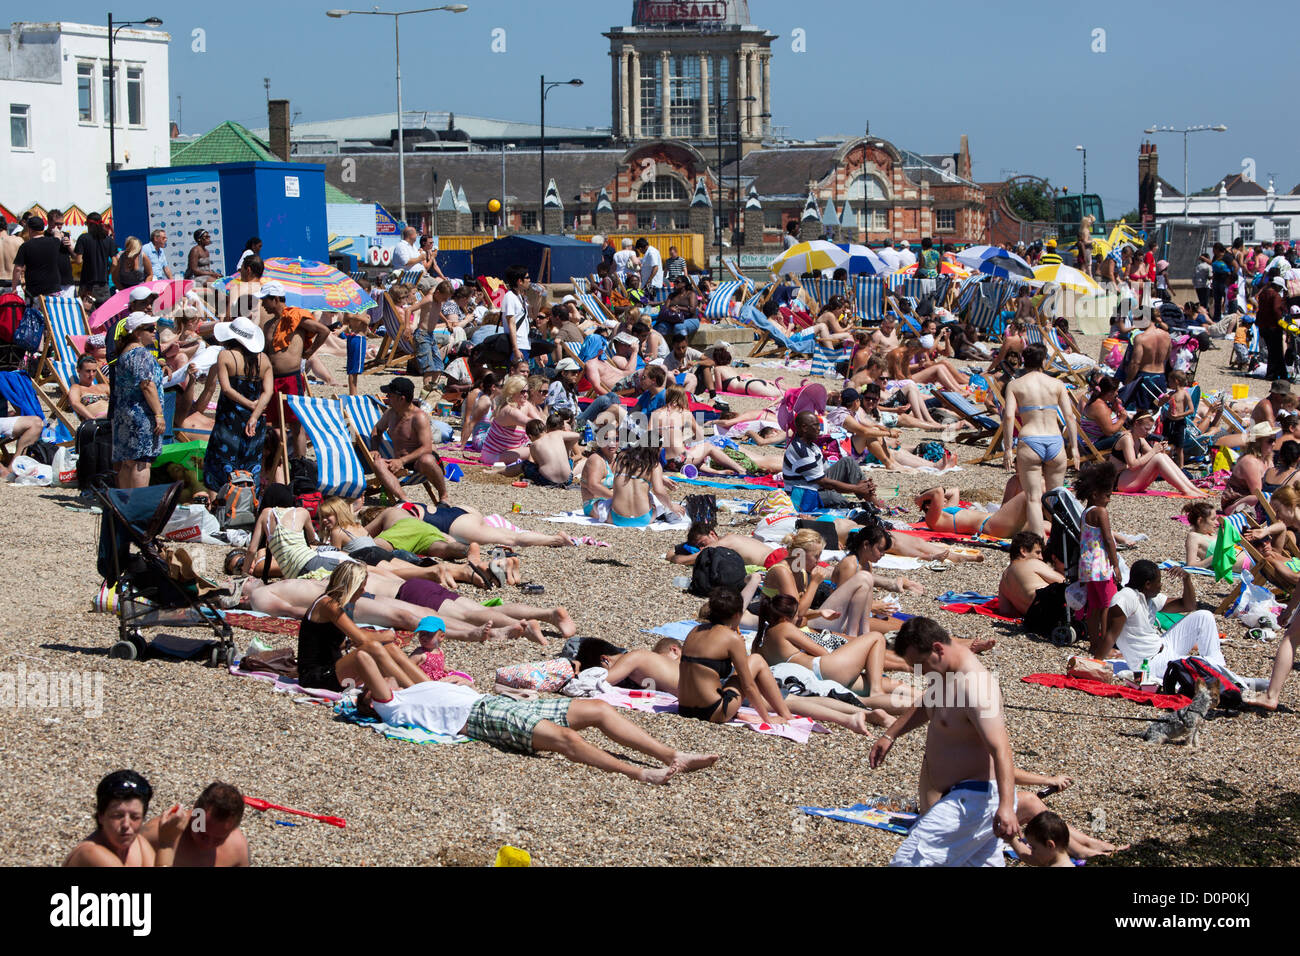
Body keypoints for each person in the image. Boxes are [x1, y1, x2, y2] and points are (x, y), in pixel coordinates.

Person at [358, 669, 718, 785]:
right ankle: (640, 772)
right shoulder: (391, 706)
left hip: (500, 702)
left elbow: (390, 657)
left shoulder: (409, 689)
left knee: (599, 709)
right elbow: (368, 653)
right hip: (485, 716)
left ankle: (674, 754)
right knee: (564, 739)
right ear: (373, 697)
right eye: (369, 686)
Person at [870, 617, 1020, 867]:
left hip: (976, 800)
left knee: (909, 861)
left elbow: (1001, 748)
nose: (918, 673)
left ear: (938, 648)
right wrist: (890, 734)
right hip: (965, 797)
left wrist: (1006, 806)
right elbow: (930, 701)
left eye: (920, 664)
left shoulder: (976, 687)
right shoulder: (946, 669)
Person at [296, 562, 429, 693]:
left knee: (390, 648)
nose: (363, 591)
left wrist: (350, 642)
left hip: (332, 670)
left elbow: (333, 642)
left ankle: (430, 687)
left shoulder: (335, 604)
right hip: (316, 677)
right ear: (351, 587)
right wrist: (386, 635)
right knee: (373, 647)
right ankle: (413, 692)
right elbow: (362, 640)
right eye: (361, 587)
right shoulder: (329, 605)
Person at [1098, 560, 1235, 677]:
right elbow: (1111, 635)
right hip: (1150, 663)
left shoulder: (1148, 596)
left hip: (1164, 646)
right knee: (1199, 666)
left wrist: (1187, 580)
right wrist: (1095, 664)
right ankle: (1217, 670)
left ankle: (1218, 665)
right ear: (1148, 584)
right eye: (1159, 582)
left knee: (1204, 616)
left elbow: (1189, 605)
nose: (1161, 586)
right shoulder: (1126, 598)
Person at [679, 587, 792, 726]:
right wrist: (767, 719)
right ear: (737, 615)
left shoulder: (694, 631)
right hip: (713, 711)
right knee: (757, 659)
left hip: (683, 709)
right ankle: (786, 714)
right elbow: (748, 685)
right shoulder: (732, 638)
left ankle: (785, 714)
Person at [257, 281, 331, 462]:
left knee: (296, 423)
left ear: (275, 299)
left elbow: (324, 331)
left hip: (291, 377)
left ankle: (299, 463)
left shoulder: (296, 317)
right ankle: (277, 460)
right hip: (271, 378)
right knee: (273, 422)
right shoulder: (268, 325)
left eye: (265, 300)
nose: (262, 304)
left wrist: (310, 352)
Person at [200, 317, 273, 493]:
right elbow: (268, 392)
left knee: (222, 463)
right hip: (255, 421)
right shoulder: (264, 359)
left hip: (230, 417)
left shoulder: (225, 356)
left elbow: (226, 389)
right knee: (250, 464)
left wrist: (248, 405)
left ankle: (223, 507)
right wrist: (254, 414)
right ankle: (247, 505)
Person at [64, 770, 187, 867]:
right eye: (117, 816)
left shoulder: (137, 843)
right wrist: (166, 844)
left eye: (135, 817)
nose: (126, 824)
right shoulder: (91, 853)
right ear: (101, 816)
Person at [369, 377, 450, 503]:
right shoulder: (391, 413)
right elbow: (377, 430)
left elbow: (427, 448)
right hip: (400, 462)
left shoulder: (419, 417)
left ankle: (444, 497)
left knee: (426, 460)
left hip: (420, 460)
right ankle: (404, 500)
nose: (387, 396)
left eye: (390, 394)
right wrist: (374, 449)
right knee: (378, 463)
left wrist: (401, 461)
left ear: (401, 399)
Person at [111, 312, 165, 489]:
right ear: (137, 333)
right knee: (142, 462)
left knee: (128, 461)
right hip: (141, 415)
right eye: (149, 329)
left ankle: (125, 503)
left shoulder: (125, 353)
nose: (154, 332)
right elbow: (146, 385)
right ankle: (138, 504)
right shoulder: (141, 353)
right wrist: (158, 413)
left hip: (124, 413)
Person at [782, 410, 875, 511]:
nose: (819, 429)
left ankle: (872, 500)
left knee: (848, 462)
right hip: (803, 495)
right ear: (804, 428)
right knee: (836, 499)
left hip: (816, 486)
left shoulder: (813, 446)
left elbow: (825, 473)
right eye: (816, 425)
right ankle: (861, 501)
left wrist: (863, 486)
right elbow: (824, 482)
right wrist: (856, 488)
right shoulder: (800, 450)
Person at [140, 781, 249, 867]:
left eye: (218, 839)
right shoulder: (159, 834)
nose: (208, 844)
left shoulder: (237, 848)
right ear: (194, 812)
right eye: (203, 834)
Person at [1076, 462, 1122, 649]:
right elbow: (1109, 540)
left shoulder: (1085, 512)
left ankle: (1094, 642)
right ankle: (1104, 645)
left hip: (1087, 566)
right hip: (1101, 565)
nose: (1109, 500)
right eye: (1108, 495)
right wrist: (1116, 564)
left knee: (1094, 607)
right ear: (1095, 494)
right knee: (1107, 605)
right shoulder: (1100, 512)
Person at [1108, 413, 1205, 497]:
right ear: (1136, 424)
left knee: (1161, 456)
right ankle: (1186, 490)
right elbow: (1133, 465)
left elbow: (1154, 457)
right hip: (1119, 483)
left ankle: (1192, 488)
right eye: (1146, 429)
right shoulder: (1127, 438)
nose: (1148, 432)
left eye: (1150, 430)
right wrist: (1154, 451)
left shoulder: (1139, 439)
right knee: (1157, 456)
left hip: (1129, 481)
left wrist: (1161, 449)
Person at [914, 486, 1036, 539]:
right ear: (930, 505)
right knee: (1031, 492)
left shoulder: (947, 510)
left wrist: (929, 498)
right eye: (941, 500)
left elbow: (955, 491)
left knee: (1047, 526)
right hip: (990, 525)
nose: (945, 499)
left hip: (996, 522)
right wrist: (920, 499)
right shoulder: (933, 519)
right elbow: (938, 491)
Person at [610, 444, 683, 527]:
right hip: (644, 518)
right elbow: (659, 491)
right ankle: (667, 512)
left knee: (596, 504)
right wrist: (671, 506)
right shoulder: (654, 465)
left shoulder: (622, 457)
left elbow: (635, 472)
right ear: (658, 449)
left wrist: (661, 478)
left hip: (617, 518)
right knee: (655, 499)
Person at [997, 532, 1065, 618]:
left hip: (1034, 621)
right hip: (1049, 605)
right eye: (1037, 552)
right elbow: (1063, 582)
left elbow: (1005, 611)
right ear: (1023, 551)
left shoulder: (1003, 581)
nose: (1041, 557)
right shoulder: (1031, 563)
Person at [479, 374, 541, 467]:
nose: (526, 395)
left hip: (508, 452)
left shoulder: (525, 405)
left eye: (527, 391)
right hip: (493, 456)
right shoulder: (509, 410)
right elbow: (536, 425)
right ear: (512, 392)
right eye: (522, 392)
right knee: (535, 450)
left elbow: (540, 421)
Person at [1221, 421, 1279, 512]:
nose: (1274, 444)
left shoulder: (1268, 459)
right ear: (1258, 443)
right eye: (1270, 441)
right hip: (1235, 504)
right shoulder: (1250, 462)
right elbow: (1257, 493)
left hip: (1251, 502)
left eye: (1274, 439)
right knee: (1260, 497)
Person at [11, 215, 68, 300]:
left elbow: (18, 269)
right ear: (42, 229)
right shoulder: (54, 242)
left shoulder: (25, 246)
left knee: (35, 313)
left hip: (34, 291)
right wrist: (55, 231)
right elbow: (58, 236)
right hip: (53, 290)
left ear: (29, 229)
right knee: (50, 313)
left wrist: (14, 288)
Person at [72, 212, 117, 309]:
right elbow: (114, 262)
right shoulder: (108, 240)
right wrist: (108, 273)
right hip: (103, 284)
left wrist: (70, 251)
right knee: (103, 314)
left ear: (89, 224)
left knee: (86, 314)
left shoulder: (83, 238)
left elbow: (79, 260)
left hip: (87, 284)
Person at [1258, 273, 1289, 382]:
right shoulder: (1275, 296)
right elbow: (1276, 310)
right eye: (1280, 287)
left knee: (1273, 351)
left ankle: (1280, 373)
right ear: (1276, 286)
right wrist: (1281, 322)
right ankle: (1273, 374)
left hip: (1263, 326)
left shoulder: (1262, 294)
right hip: (1273, 327)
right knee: (1276, 351)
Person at [67, 353, 111, 421]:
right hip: (98, 419)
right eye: (88, 371)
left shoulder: (103, 387)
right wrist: (91, 418)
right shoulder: (77, 388)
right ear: (78, 370)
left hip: (114, 416)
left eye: (94, 371)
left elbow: (118, 397)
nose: (91, 374)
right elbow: (75, 403)